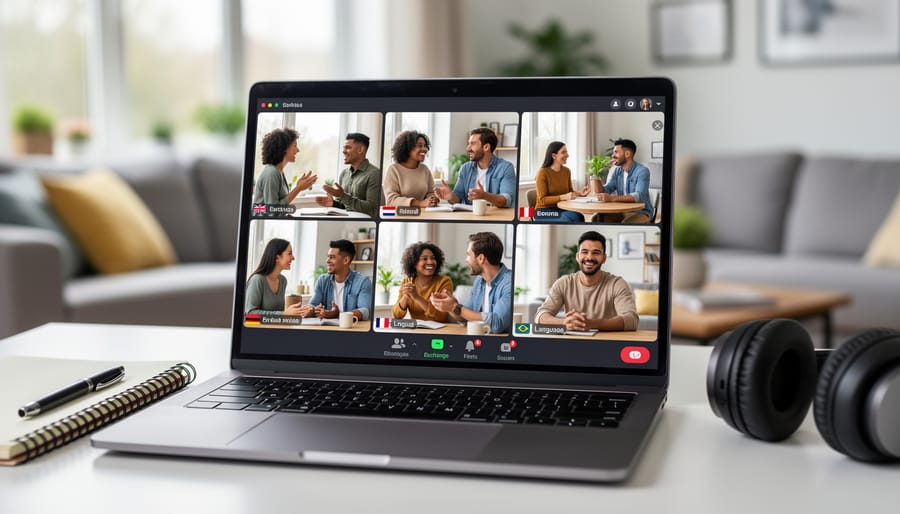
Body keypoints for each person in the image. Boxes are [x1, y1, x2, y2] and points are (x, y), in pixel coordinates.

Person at [534, 231, 638, 331]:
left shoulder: (617, 284)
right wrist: (565, 323)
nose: (589, 257)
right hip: (574, 340)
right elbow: (540, 315)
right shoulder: (563, 283)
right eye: (584, 252)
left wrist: (592, 324)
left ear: (604, 258)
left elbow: (631, 320)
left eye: (596, 253)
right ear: (577, 256)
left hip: (607, 340)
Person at [430, 232, 512, 334]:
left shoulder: (509, 281)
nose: (466, 260)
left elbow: (497, 323)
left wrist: (455, 307)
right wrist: (449, 306)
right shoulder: (479, 281)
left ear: (481, 258)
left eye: (468, 255)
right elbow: (464, 317)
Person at [433, 127, 515, 207]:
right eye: (469, 143)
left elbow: (507, 200)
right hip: (470, 215)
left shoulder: (506, 168)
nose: (468, 148)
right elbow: (458, 198)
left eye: (472, 144)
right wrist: (451, 196)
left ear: (486, 147)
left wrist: (484, 196)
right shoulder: (466, 168)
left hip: (495, 215)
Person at [301, 239, 373, 321]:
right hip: (326, 327)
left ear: (345, 260)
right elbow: (313, 304)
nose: (327, 260)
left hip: (350, 327)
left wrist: (340, 315)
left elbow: (365, 311)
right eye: (328, 256)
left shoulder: (363, 282)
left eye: (332, 257)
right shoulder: (322, 280)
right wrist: (311, 310)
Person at [315, 133, 380, 217]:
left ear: (361, 150)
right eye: (344, 148)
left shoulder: (374, 174)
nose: (343, 151)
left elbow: (372, 210)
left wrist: (342, 196)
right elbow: (345, 206)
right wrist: (334, 204)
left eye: (348, 147)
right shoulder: (344, 174)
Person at [252, 128, 317, 206]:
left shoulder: (278, 171)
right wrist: (298, 188)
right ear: (285, 148)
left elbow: (280, 203)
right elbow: (272, 210)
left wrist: (298, 187)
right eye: (295, 146)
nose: (298, 150)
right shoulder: (271, 173)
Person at [392, 242, 454, 322]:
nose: (430, 262)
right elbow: (396, 316)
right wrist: (405, 297)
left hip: (439, 328)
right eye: (424, 259)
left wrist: (417, 297)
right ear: (414, 263)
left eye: (433, 258)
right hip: (416, 328)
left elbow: (441, 317)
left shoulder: (444, 281)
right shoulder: (407, 282)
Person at [245, 238, 305, 316]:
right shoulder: (257, 280)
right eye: (289, 253)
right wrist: (283, 314)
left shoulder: (283, 281)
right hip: (256, 325)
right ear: (277, 258)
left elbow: (278, 315)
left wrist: (299, 312)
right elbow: (250, 314)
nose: (293, 258)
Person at [598, 138, 653, 223]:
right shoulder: (617, 171)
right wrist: (596, 172)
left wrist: (612, 198)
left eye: (616, 152)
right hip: (622, 211)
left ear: (627, 154)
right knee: (597, 219)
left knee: (626, 224)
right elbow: (606, 190)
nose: (612, 155)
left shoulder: (642, 171)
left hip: (641, 212)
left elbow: (639, 196)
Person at [534, 141, 589, 222]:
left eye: (566, 152)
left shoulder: (567, 171)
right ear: (554, 156)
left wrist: (580, 193)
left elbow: (569, 192)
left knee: (579, 216)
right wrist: (563, 197)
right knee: (567, 219)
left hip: (562, 208)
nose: (567, 155)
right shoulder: (542, 173)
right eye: (563, 152)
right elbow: (542, 200)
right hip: (543, 211)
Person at [382, 131, 439, 207]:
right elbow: (391, 200)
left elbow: (430, 192)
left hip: (423, 212)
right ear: (407, 148)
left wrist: (433, 199)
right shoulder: (394, 170)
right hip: (400, 213)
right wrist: (419, 203)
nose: (424, 149)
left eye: (425, 146)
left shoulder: (424, 169)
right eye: (420, 145)